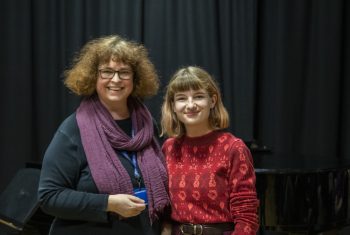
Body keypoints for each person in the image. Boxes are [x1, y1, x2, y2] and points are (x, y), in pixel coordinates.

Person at [38, 35, 170, 235]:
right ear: (94, 76)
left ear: (135, 78)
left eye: (124, 72)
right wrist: (108, 203)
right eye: (107, 71)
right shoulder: (73, 128)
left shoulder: (147, 124)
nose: (116, 79)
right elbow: (49, 197)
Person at [160, 66, 259, 235]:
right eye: (182, 98)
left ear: (212, 101)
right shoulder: (168, 148)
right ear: (173, 106)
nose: (190, 105)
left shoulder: (233, 148)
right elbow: (163, 209)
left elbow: (247, 216)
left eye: (198, 96)